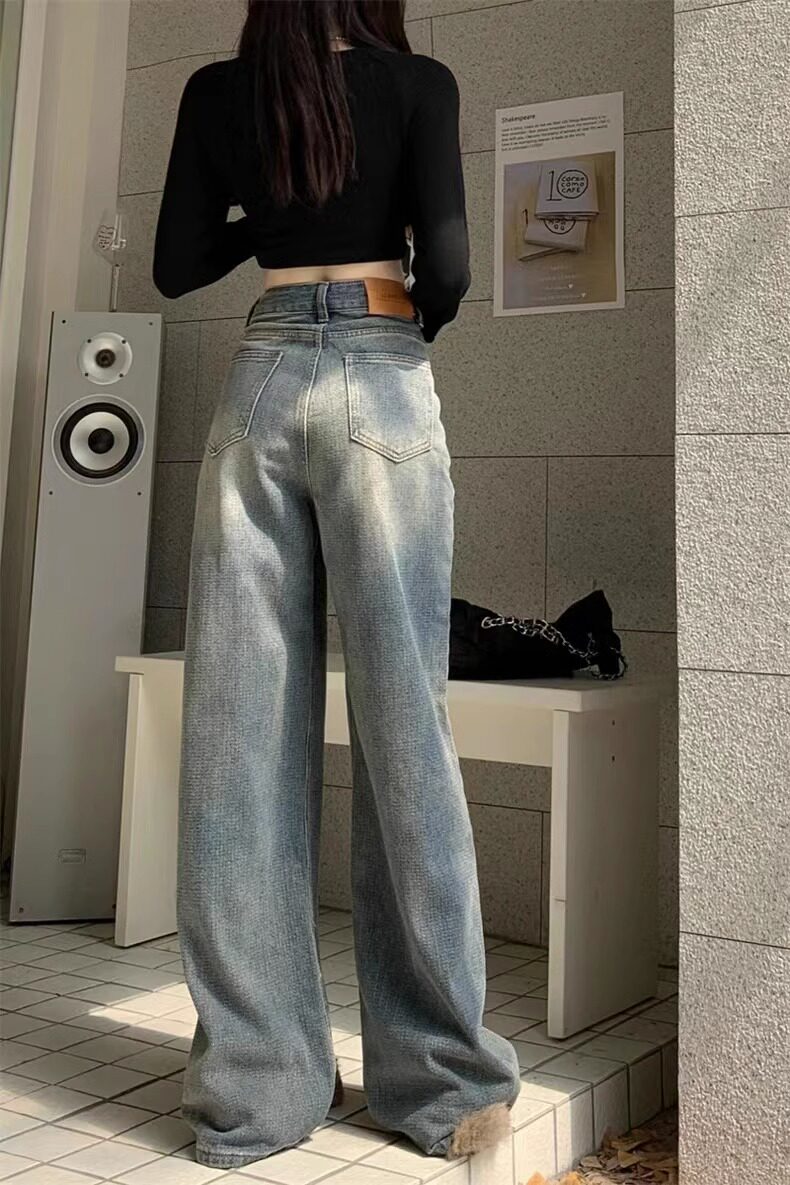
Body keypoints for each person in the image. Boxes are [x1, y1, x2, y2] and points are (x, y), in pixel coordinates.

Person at [152, 0, 521, 1171]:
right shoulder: (419, 84)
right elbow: (448, 266)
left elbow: (175, 265)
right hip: (380, 368)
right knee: (405, 719)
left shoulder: (221, 91)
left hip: (258, 381)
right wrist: (401, 320)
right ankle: (441, 1090)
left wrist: (273, 210)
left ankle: (253, 1099)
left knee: (236, 737)